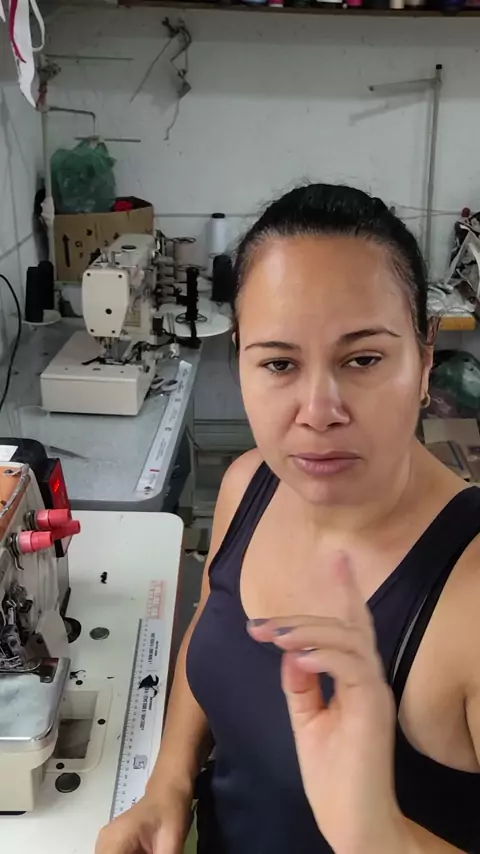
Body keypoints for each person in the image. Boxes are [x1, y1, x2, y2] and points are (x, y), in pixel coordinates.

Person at [96, 184, 480, 854]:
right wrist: (169, 785)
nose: (318, 411)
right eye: (279, 362)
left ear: (423, 359)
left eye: (363, 359)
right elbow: (210, 633)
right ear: (240, 357)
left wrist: (376, 833)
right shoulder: (249, 486)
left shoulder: (469, 601)